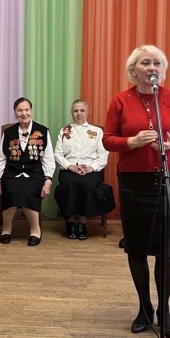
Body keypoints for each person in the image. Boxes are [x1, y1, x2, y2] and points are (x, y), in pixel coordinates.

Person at [103, 45, 170, 338]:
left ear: (162, 69)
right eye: (145, 63)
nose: (152, 67)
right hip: (133, 183)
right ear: (134, 69)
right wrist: (131, 142)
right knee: (137, 248)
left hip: (167, 180)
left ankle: (164, 311)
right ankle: (144, 308)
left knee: (166, 249)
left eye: (156, 63)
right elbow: (108, 140)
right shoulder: (120, 100)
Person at [0, 97, 55, 246]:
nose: (24, 113)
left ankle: (35, 230)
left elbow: (48, 159)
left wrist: (48, 181)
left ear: (31, 111)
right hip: (11, 173)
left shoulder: (42, 131)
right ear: (15, 113)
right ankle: (6, 229)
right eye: (20, 110)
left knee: (27, 189)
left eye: (27, 110)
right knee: (11, 189)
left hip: (34, 173)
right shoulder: (8, 132)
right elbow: (0, 158)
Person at [54, 99, 115, 240]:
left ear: (88, 112)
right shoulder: (64, 131)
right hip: (69, 169)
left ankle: (82, 223)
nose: (79, 113)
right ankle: (70, 222)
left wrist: (90, 168)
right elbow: (58, 154)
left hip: (91, 170)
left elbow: (103, 155)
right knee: (70, 183)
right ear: (72, 113)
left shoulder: (97, 131)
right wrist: (70, 166)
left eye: (82, 110)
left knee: (86, 184)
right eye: (76, 111)